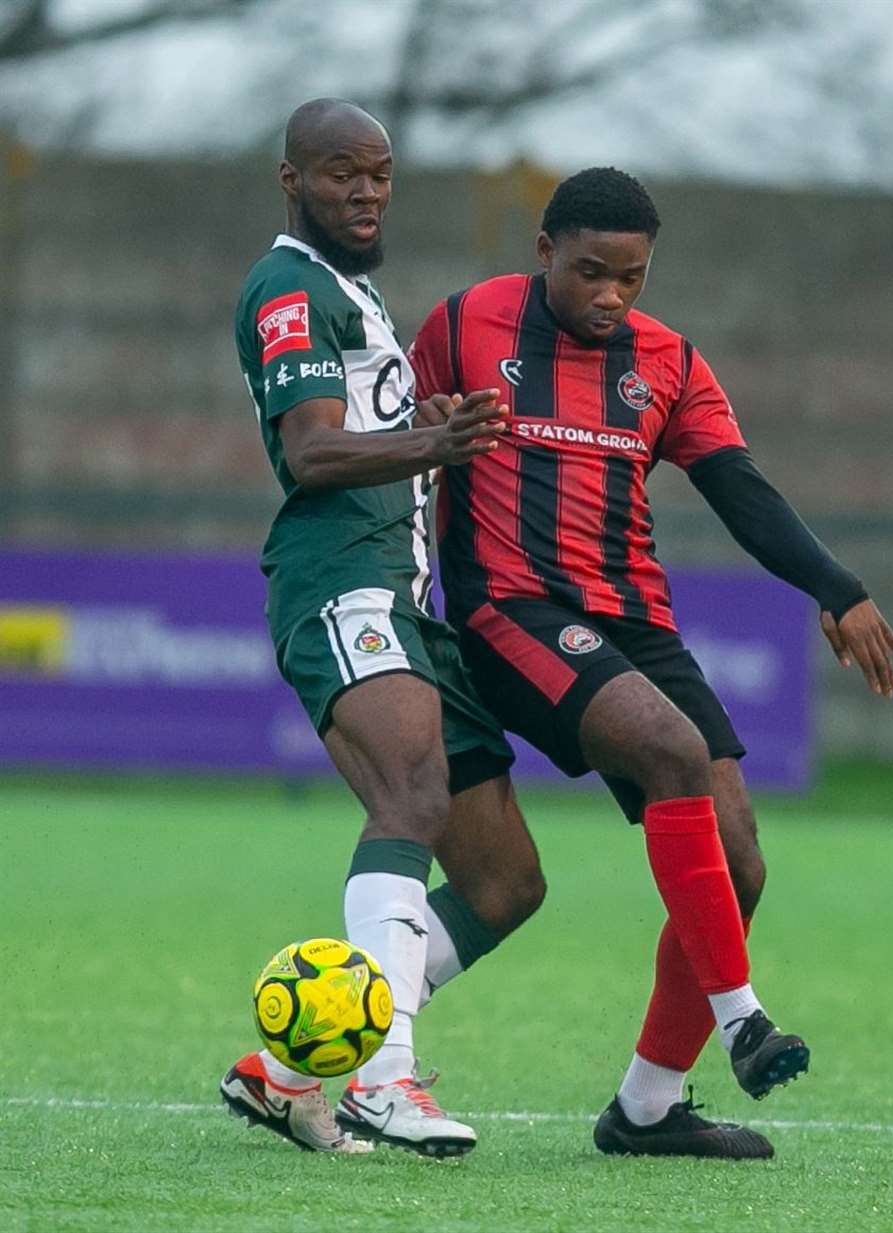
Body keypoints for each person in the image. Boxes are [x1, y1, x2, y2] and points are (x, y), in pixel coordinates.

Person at [409, 166, 893, 1159]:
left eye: (629, 278)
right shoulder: (464, 326)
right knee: (673, 752)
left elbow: (741, 490)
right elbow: (403, 448)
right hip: (507, 610)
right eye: (590, 271)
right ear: (545, 251)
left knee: (737, 863)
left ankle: (645, 1107)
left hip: (634, 623)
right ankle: (746, 1023)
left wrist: (836, 587)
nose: (609, 296)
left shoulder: (669, 360)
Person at [219, 98, 549, 1157]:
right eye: (340, 174)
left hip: (407, 602)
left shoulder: (355, 295)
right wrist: (431, 442)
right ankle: (384, 1081)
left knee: (504, 883)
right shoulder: (287, 288)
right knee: (409, 796)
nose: (364, 193)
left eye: (380, 174)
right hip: (342, 582)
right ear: (291, 181)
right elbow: (312, 454)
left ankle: (289, 1071)